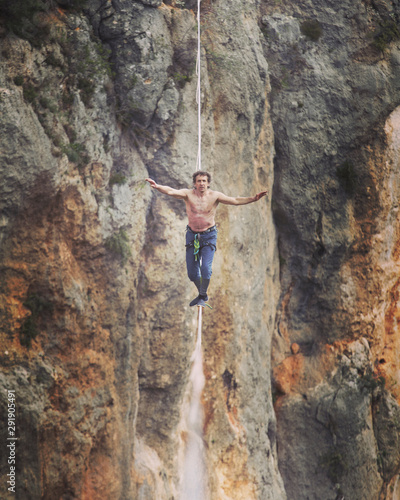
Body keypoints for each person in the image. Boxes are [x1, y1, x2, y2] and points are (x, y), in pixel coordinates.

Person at [145, 171, 268, 307]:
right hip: (192, 235)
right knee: (192, 274)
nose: (201, 183)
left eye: (204, 181)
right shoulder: (188, 194)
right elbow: (171, 191)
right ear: (194, 183)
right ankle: (202, 294)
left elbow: (235, 201)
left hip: (209, 235)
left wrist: (253, 199)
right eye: (199, 181)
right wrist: (157, 186)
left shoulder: (215, 196)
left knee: (205, 269)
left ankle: (202, 295)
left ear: (208, 183)